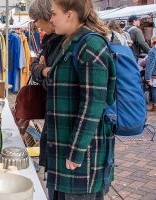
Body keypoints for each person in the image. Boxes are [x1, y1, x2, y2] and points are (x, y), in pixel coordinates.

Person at [49, 0, 116, 199]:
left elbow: (93, 104)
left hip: (83, 158)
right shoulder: (73, 42)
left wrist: (77, 150)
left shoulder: (90, 45)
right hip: (68, 150)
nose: (51, 19)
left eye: (54, 13)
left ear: (70, 14)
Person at [28, 0, 65, 199]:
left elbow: (56, 82)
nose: (36, 25)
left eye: (37, 20)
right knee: (53, 183)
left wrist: (43, 72)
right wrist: (42, 70)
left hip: (63, 130)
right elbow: (35, 67)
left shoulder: (69, 43)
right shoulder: (50, 41)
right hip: (52, 118)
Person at [145, 36, 156, 111]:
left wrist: (147, 77)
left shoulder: (152, 51)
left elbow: (150, 65)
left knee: (154, 89)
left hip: (154, 74)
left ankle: (154, 105)